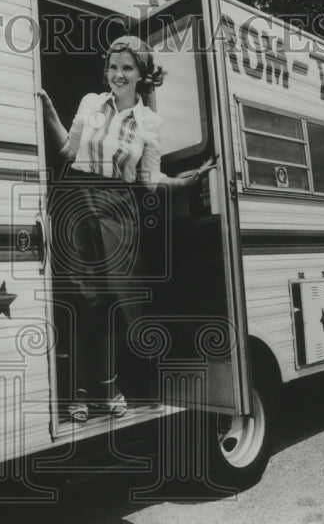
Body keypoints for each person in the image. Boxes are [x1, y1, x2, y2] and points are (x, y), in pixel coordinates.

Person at [38, 36, 217, 423]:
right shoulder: (90, 102)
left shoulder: (150, 121)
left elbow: (150, 180)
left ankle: (110, 387)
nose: (118, 74)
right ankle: (81, 393)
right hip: (76, 199)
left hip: (120, 206)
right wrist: (49, 109)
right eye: (113, 67)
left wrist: (185, 183)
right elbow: (68, 152)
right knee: (81, 298)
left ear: (141, 74)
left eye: (127, 68)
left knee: (113, 300)